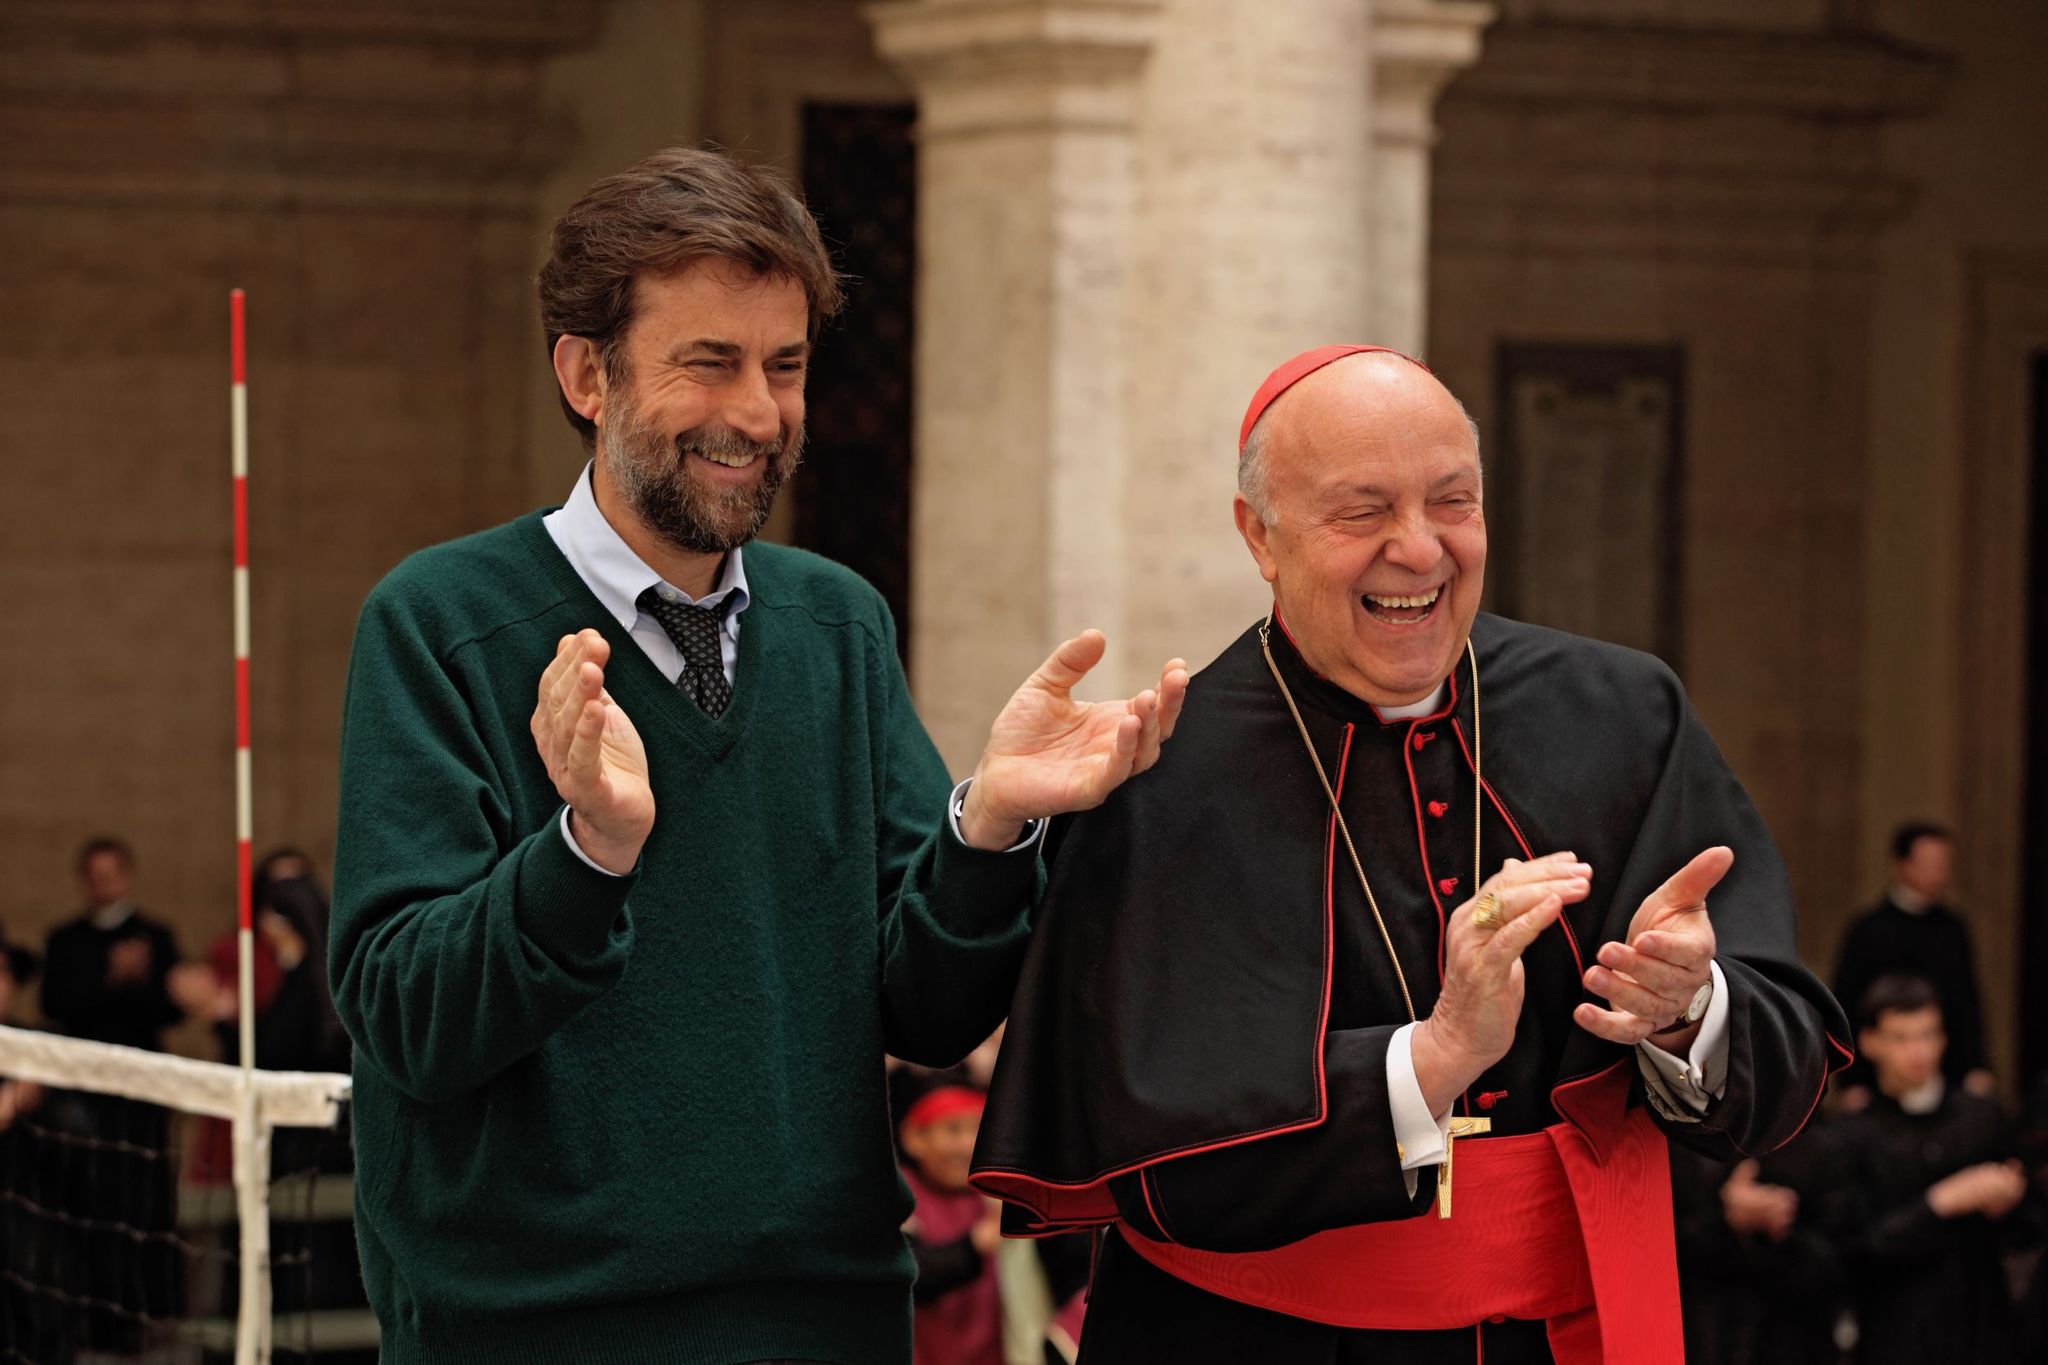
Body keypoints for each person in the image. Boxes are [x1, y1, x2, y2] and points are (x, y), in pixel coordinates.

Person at [329, 145, 1187, 1365]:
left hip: (828, 1318)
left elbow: (927, 1011)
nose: (755, 414)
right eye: (708, 363)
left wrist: (987, 824)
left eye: (782, 367)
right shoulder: (439, 624)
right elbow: (404, 1016)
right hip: (533, 1333)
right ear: (586, 374)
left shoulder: (837, 623)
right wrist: (587, 853)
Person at [973, 346, 1851, 1363]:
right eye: (1362, 512)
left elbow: (1782, 1055)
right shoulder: (1161, 773)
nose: (1420, 549)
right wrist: (1429, 1059)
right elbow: (1150, 1143)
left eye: (1452, 502)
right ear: (1258, 534)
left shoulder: (1621, 715)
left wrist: (1685, 1012)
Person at [1828, 973, 2029, 1364]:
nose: (1918, 1051)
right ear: (1869, 1042)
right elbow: (1850, 1252)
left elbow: (2028, 1228)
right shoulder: (1849, 1135)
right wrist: (1941, 1203)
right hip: (1896, 1335)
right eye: (1902, 1038)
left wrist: (2010, 1202)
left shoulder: (1981, 1116)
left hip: (1982, 1330)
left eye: (1928, 1035)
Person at [1832, 822, 1991, 1096]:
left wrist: (1976, 1065)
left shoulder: (1953, 928)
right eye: (1928, 863)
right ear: (1900, 864)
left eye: (1943, 864)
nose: (1938, 873)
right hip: (1877, 1079)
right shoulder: (1869, 929)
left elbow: (1967, 1002)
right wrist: (1851, 1080)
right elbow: (1846, 1003)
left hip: (1948, 1076)